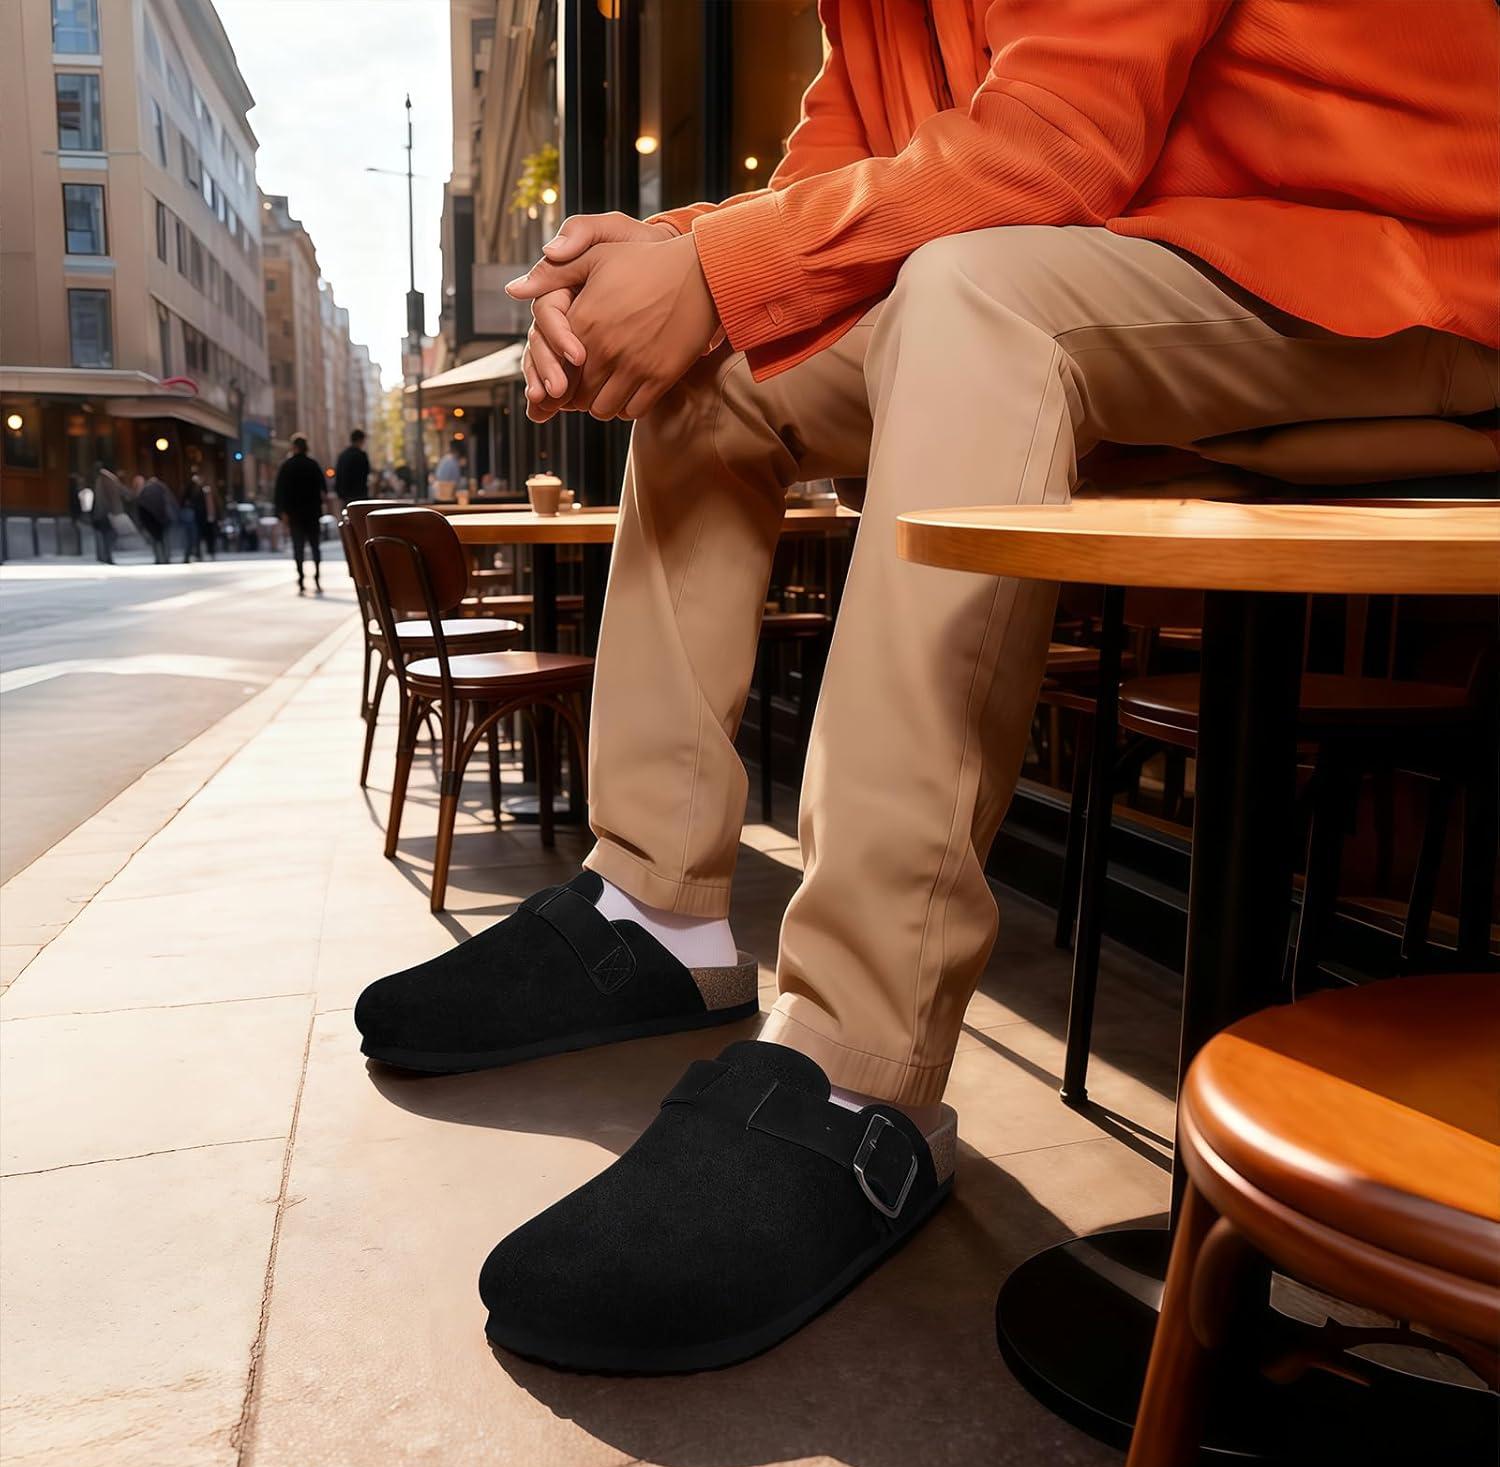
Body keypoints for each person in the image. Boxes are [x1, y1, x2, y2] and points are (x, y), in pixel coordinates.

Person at [355, 0, 1500, 1375]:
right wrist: (668, 264)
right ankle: (654, 909)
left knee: (976, 292)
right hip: (1161, 257)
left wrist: (711, 263)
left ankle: (859, 1066)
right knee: (716, 363)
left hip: (1407, 262)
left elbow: (1059, 139)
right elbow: (825, 196)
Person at [273, 433, 327, 594]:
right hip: (312, 513)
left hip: (294, 514)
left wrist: (282, 512)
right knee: (315, 546)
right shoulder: (313, 465)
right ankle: (317, 578)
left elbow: (279, 492)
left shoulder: (286, 466)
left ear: (293, 447)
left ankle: (301, 580)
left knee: (299, 548)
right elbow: (324, 489)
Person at [130, 473, 174, 564]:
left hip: (155, 520)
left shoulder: (145, 492)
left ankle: (160, 559)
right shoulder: (161, 489)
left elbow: (143, 508)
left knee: (157, 540)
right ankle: (165, 558)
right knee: (164, 540)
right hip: (163, 519)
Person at [91, 465, 129, 564]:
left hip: (101, 513)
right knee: (110, 535)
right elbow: (115, 496)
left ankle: (104, 556)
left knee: (106, 535)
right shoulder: (108, 480)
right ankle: (106, 556)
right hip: (106, 513)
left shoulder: (101, 480)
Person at [334, 428, 372, 504]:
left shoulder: (343, 455)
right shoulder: (361, 455)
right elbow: (366, 472)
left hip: (345, 495)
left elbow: (338, 474)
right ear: (360, 440)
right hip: (359, 494)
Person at [179, 470, 206, 563]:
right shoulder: (196, 489)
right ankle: (194, 554)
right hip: (194, 517)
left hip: (192, 517)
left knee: (191, 538)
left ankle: (192, 555)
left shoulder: (192, 489)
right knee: (193, 537)